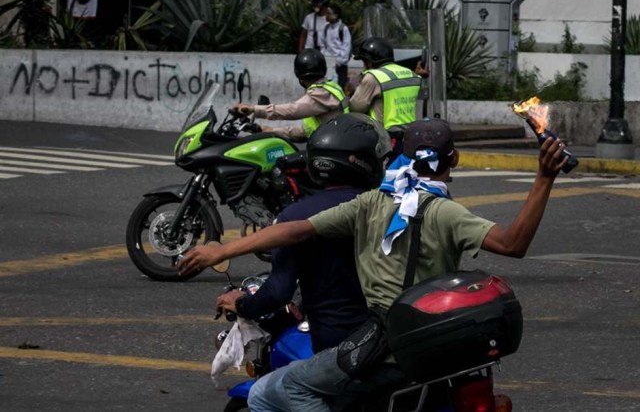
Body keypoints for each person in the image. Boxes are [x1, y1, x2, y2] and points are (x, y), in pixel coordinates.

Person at [178, 119, 569, 411]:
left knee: (268, 392)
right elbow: (514, 243)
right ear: (455, 160)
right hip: (437, 350)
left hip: (385, 350)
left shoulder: (371, 205)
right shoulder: (447, 213)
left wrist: (222, 251)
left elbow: (294, 231)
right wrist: (543, 178)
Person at [215, 113, 391, 411]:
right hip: (391, 338)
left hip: (342, 348)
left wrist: (242, 304)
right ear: (362, 162)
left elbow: (277, 291)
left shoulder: (296, 217)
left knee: (262, 395)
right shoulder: (390, 207)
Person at [232, 49, 350, 142]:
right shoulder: (331, 87)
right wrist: (270, 130)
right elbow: (305, 132)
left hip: (329, 151)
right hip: (335, 144)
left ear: (300, 78)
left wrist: (253, 109)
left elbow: (292, 110)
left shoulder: (320, 94)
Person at [350, 36, 422, 156]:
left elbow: (356, 107)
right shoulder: (409, 73)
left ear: (370, 61)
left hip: (386, 136)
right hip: (411, 134)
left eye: (364, 62)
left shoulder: (374, 76)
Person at [320, 4, 352, 90]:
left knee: (339, 89)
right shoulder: (326, 28)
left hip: (340, 66)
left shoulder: (343, 29)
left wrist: (338, 62)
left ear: (336, 15)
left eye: (328, 13)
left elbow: (346, 48)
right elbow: (322, 45)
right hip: (328, 64)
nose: (326, 16)